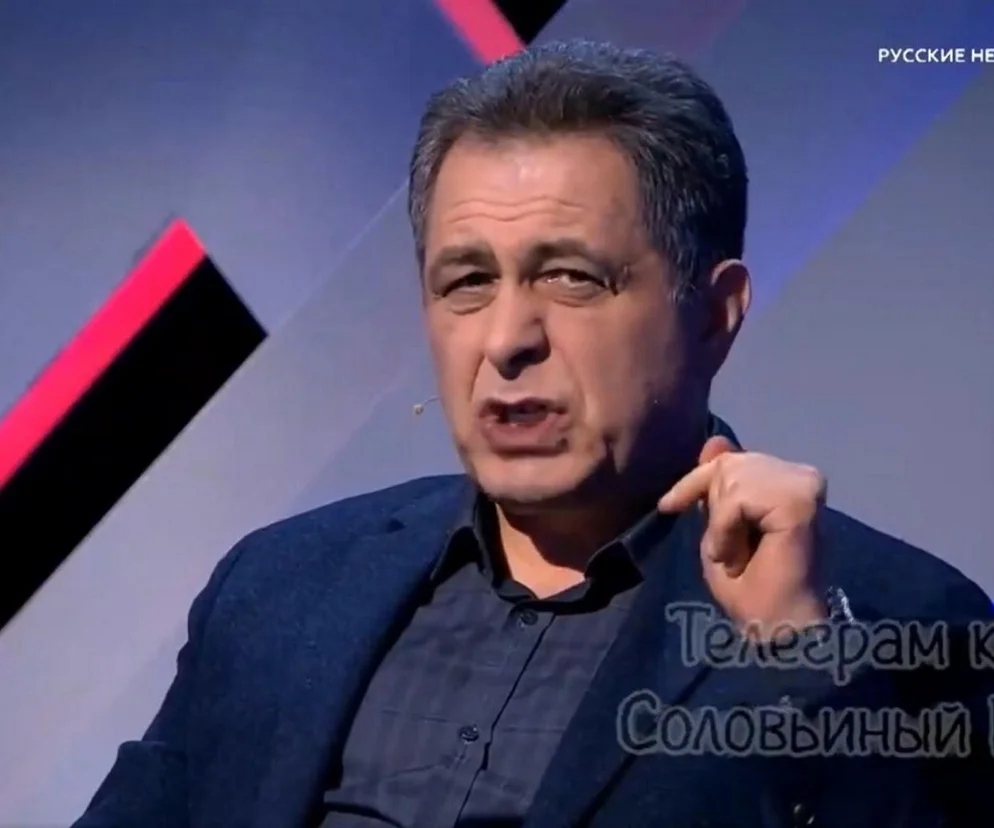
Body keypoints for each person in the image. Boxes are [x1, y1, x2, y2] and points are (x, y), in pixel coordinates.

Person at [72, 40, 994, 828]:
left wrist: (803, 662)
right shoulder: (279, 584)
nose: (507, 338)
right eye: (467, 281)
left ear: (714, 315)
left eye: (571, 278)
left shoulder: (900, 622)